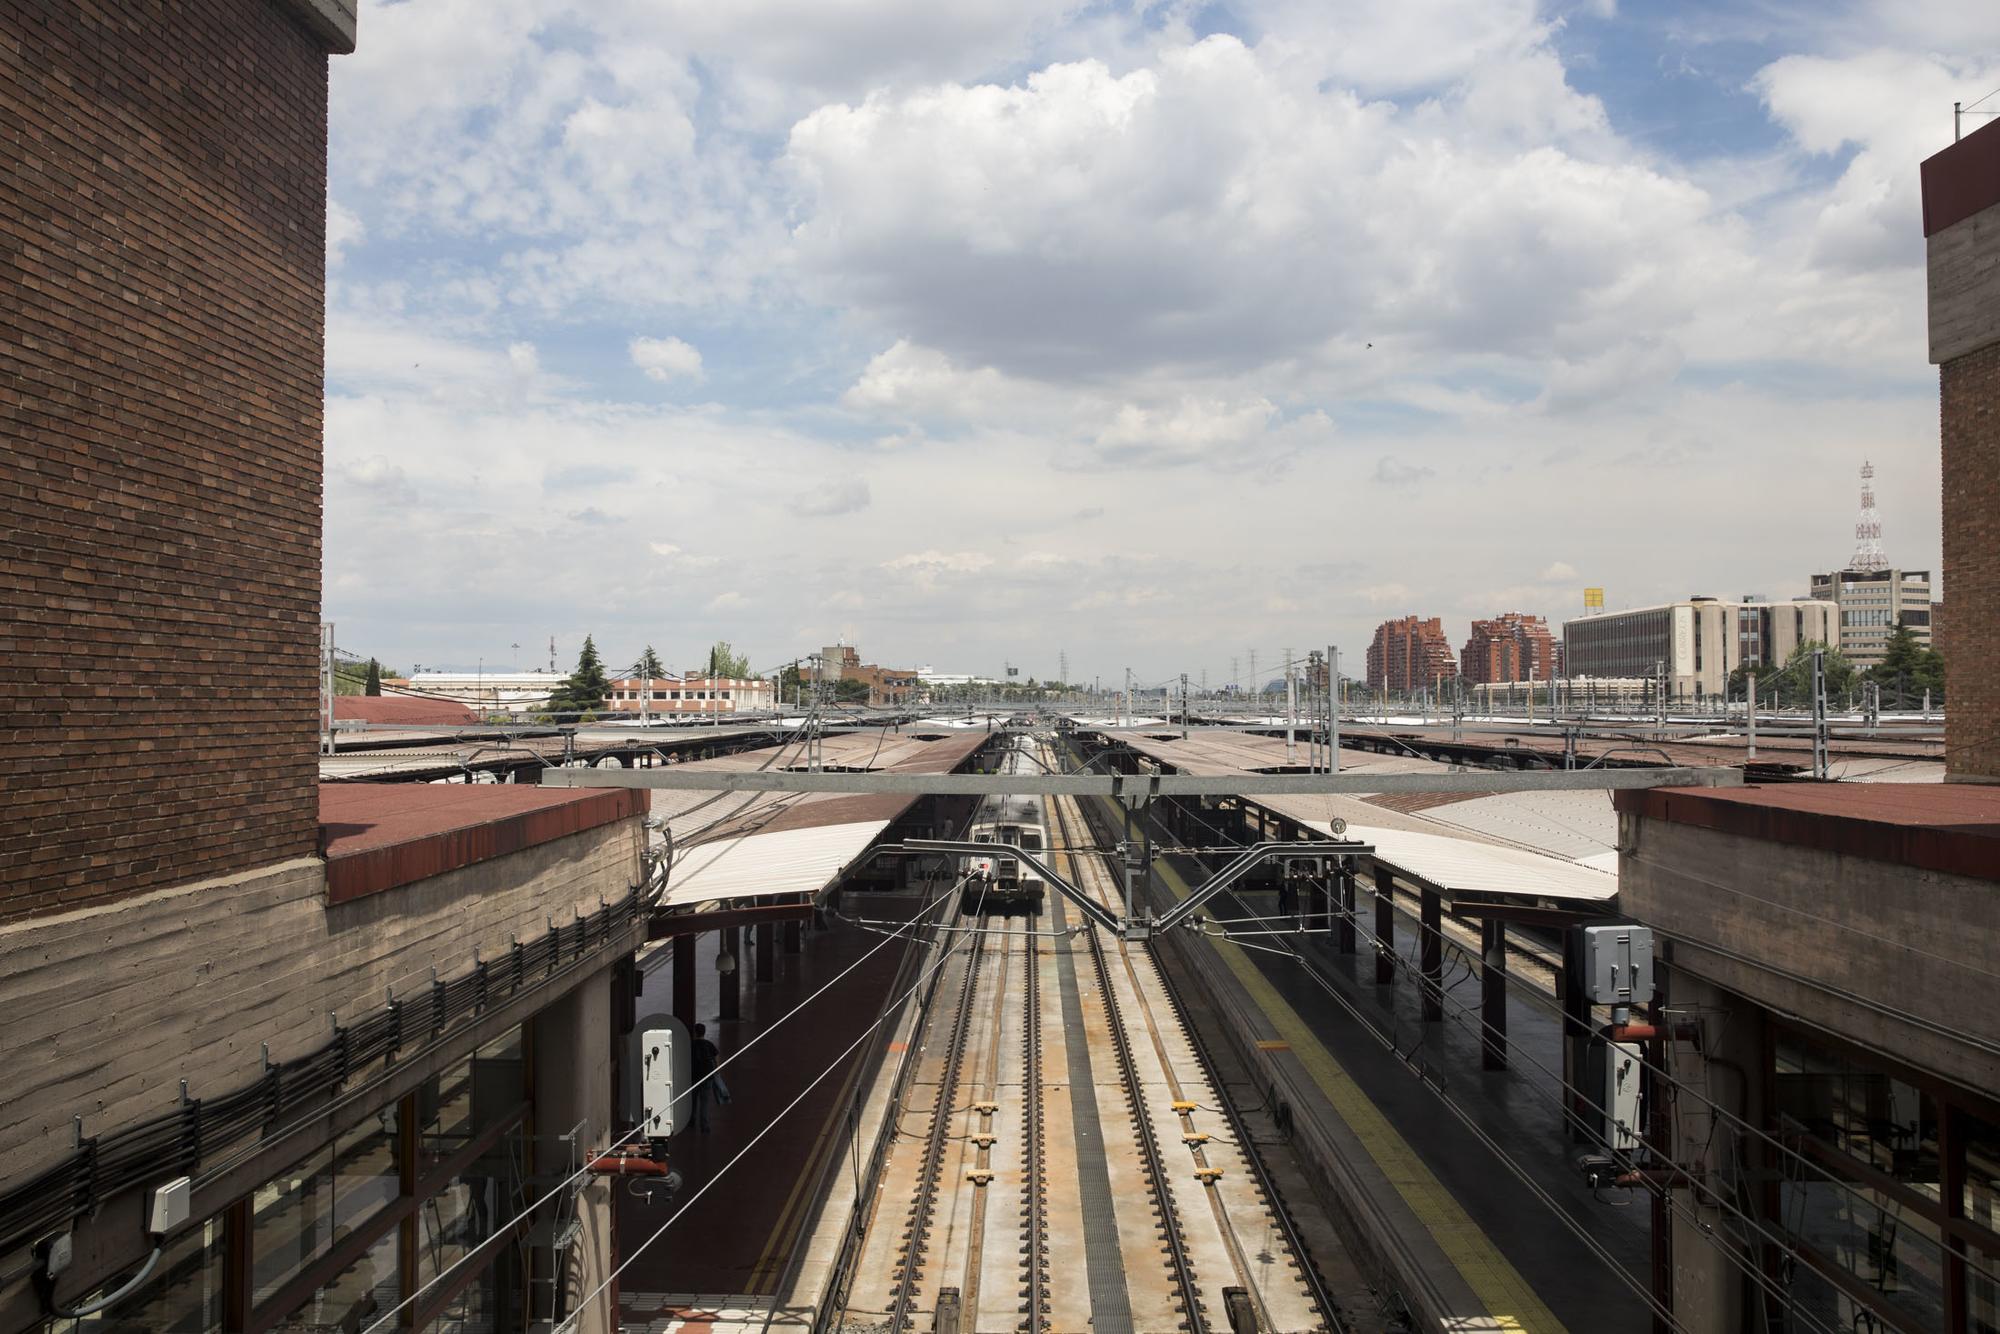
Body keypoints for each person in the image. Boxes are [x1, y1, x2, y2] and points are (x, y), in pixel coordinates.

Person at [688, 1023, 732, 1132]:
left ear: (695, 1032)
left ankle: (692, 1120)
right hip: (707, 1077)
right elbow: (716, 1058)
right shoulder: (709, 1044)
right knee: (705, 1102)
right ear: (704, 1032)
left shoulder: (691, 1045)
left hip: (694, 1076)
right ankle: (705, 1125)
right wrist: (716, 1071)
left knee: (693, 1100)